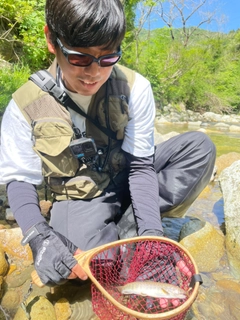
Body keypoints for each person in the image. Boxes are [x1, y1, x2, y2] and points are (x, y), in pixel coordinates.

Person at [0, 0, 215, 302]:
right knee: (81, 268)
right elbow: (19, 181)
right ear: (52, 40)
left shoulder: (135, 87)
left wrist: (154, 240)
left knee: (199, 148)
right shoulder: (25, 105)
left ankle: (140, 232)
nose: (93, 73)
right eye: (78, 57)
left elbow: (141, 168)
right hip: (83, 197)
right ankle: (125, 236)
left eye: (108, 57)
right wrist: (39, 236)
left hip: (129, 177)